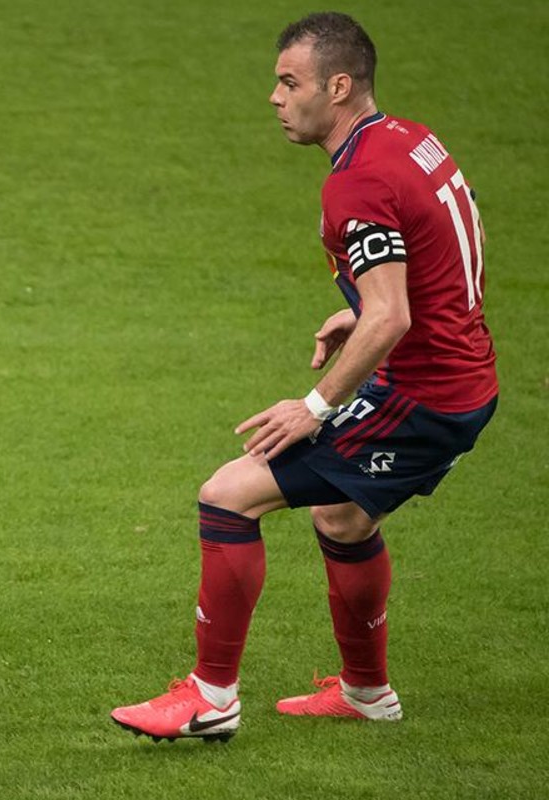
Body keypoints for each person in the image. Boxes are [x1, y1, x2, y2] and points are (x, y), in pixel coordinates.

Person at [111, 11, 497, 742]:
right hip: (464, 379)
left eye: (290, 83)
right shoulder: (411, 140)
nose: (275, 97)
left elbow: (393, 316)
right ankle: (366, 694)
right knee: (343, 518)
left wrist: (315, 404)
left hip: (424, 397)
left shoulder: (358, 181)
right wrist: (359, 309)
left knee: (228, 495)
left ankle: (210, 698)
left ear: (339, 86)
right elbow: (451, 241)